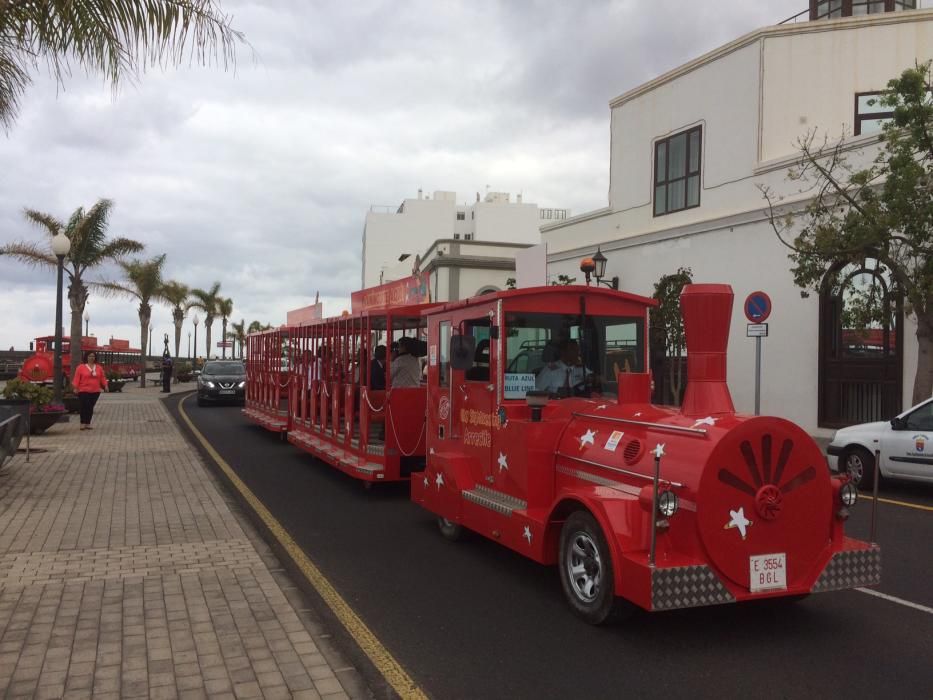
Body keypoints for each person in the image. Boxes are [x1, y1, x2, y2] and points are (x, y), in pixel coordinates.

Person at [72, 350, 108, 430]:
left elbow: (102, 377)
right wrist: (75, 387)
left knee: (90, 407)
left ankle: (88, 423)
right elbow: (77, 378)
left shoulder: (98, 368)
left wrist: (105, 386)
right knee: (84, 406)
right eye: (90, 356)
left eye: (93, 356)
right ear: (86, 357)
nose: (91, 358)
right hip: (83, 390)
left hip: (95, 391)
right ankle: (82, 423)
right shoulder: (80, 367)